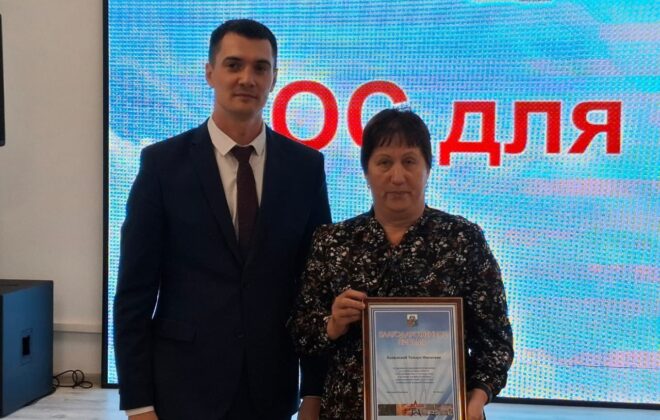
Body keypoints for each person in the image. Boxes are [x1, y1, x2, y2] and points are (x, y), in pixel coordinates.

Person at [114, 19, 331, 420]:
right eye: (234, 65)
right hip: (182, 388)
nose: (247, 78)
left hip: (271, 389)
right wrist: (138, 403)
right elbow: (134, 294)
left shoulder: (305, 169)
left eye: (260, 67)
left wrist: (314, 391)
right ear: (210, 72)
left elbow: (315, 290)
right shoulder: (162, 166)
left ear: (274, 78)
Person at [289, 108, 513, 420]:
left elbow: (496, 343)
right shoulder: (333, 242)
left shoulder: (463, 239)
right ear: (366, 171)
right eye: (384, 162)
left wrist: (476, 400)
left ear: (428, 168)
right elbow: (300, 332)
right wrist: (332, 323)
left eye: (409, 161)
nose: (397, 177)